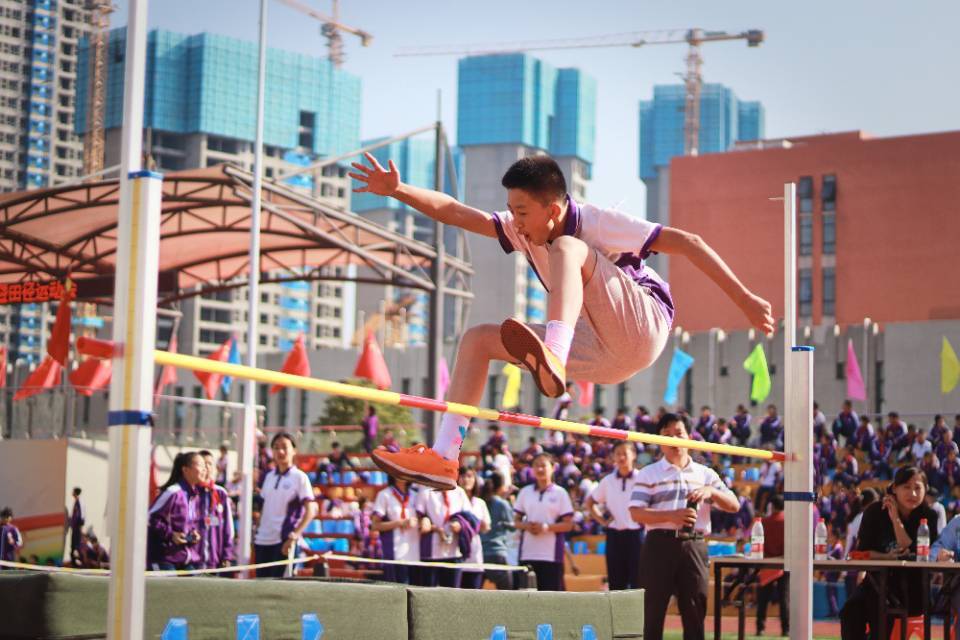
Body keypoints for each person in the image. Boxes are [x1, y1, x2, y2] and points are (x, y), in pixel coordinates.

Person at [355, 153, 774, 489]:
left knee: (568, 249)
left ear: (553, 210)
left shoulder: (597, 222)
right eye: (510, 212)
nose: (514, 223)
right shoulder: (523, 229)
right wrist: (399, 191)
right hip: (601, 352)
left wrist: (746, 301)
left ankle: (552, 353)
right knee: (479, 339)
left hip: (644, 324)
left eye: (521, 212)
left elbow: (688, 242)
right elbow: (458, 213)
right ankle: (446, 456)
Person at [629, 413, 739, 640]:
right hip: (659, 545)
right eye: (667, 435)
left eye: (679, 433)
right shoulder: (649, 473)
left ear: (689, 437)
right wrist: (673, 515)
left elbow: (734, 505)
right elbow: (635, 513)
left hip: (694, 546)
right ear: (660, 441)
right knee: (652, 611)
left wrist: (712, 492)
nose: (674, 439)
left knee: (695, 610)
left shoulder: (705, 474)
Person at [840, 466, 939, 640]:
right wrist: (886, 557)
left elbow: (915, 550)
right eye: (906, 487)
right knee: (850, 610)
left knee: (882, 612)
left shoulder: (929, 516)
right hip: (876, 583)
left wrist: (896, 520)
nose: (913, 494)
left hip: (912, 587)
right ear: (895, 488)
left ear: (925, 489)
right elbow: (862, 552)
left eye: (918, 488)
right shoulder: (875, 512)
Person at [254, 432, 317, 578]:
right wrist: (257, 531)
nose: (280, 451)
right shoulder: (268, 476)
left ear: (294, 450)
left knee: (278, 588)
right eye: (276, 447)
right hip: (262, 540)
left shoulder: (300, 477)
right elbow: (264, 507)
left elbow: (311, 510)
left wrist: (294, 536)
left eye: (284, 447)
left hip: (283, 542)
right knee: (259, 588)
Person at [584, 441, 643, 590]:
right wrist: (603, 521)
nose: (621, 457)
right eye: (618, 454)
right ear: (612, 457)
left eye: (625, 453)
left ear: (634, 455)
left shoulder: (642, 478)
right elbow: (590, 502)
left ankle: (638, 614)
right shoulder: (608, 480)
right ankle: (618, 614)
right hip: (614, 535)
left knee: (639, 580)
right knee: (616, 582)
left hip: (638, 535)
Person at [514, 453, 575, 591]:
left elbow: (568, 524)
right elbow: (516, 521)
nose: (540, 469)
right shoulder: (525, 492)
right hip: (527, 554)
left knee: (551, 599)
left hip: (551, 556)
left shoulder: (560, 493)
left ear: (553, 468)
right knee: (526, 598)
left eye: (543, 465)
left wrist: (545, 527)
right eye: (536, 465)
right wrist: (527, 526)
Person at [147, 451, 207, 571]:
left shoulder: (195, 496)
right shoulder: (173, 492)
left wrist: (193, 535)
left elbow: (186, 526)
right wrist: (170, 535)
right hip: (164, 558)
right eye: (201, 465)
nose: (205, 469)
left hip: (185, 558)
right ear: (185, 470)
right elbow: (149, 518)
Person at [415, 482, 471, 588]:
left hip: (453, 552)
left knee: (451, 595)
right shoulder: (426, 490)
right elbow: (419, 518)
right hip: (431, 553)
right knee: (428, 595)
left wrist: (460, 525)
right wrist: (434, 528)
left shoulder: (459, 492)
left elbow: (468, 518)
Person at [370, 475, 420, 584]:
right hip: (395, 553)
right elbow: (375, 525)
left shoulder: (416, 495)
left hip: (415, 553)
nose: (401, 474)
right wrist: (399, 523)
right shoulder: (384, 495)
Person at [755, 495, 789, 637]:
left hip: (767, 563)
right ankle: (786, 628)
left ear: (773, 506)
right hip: (784, 563)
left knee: (763, 599)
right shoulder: (788, 522)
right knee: (785, 599)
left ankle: (760, 628)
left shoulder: (764, 522)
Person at [198, 450, 235, 571]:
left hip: (215, 561)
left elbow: (228, 529)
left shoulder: (221, 493)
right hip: (193, 561)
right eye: (202, 464)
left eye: (209, 464)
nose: (206, 468)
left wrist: (227, 555)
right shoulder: (189, 493)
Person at [480, 471, 515, 590]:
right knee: (507, 596)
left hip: (481, 553)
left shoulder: (481, 501)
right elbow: (513, 526)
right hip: (497, 552)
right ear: (501, 487)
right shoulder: (502, 504)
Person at [458, 467, 491, 589]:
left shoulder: (479, 503)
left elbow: (486, 527)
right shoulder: (453, 499)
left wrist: (474, 524)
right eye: (463, 476)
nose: (466, 480)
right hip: (457, 553)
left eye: (470, 476)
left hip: (475, 554)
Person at [67, 487, 85, 560]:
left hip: (76, 528)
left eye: (73, 491)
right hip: (75, 527)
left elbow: (79, 516)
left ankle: (78, 561)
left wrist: (78, 525)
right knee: (73, 545)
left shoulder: (78, 502)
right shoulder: (76, 502)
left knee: (76, 545)